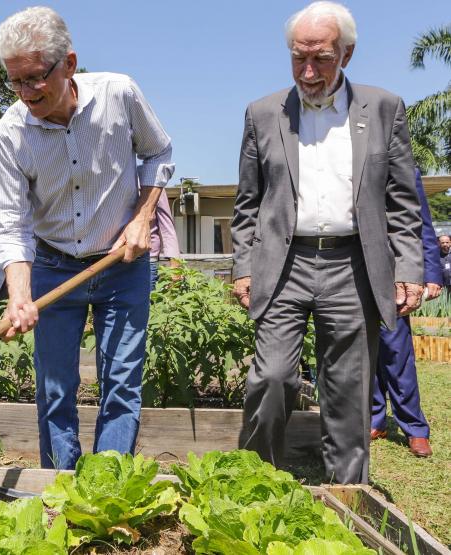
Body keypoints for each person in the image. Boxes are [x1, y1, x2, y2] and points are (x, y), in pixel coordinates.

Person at [231, 1, 423, 484]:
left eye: (321, 58)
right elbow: (247, 203)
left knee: (348, 389)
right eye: (299, 57)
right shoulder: (262, 113)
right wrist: (242, 266)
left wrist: (409, 270)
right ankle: (256, 484)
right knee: (272, 377)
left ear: (347, 54)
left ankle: (347, 494)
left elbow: (402, 200)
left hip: (353, 264)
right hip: (284, 263)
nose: (309, 70)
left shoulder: (383, 108)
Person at [0, 7, 174, 469]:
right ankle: (60, 487)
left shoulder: (120, 94)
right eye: (16, 81)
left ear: (69, 64)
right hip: (53, 266)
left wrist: (142, 218)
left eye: (35, 78)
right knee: (54, 387)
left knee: (122, 381)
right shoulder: (9, 135)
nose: (27, 93)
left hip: (121, 264)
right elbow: (10, 222)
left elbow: (158, 151)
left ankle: (107, 489)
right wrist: (19, 296)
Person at [372, 168, 438, 458]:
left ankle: (414, 428)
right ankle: (375, 420)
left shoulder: (404, 170)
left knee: (397, 352)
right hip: (350, 269)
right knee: (364, 351)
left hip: (394, 275)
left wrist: (432, 273)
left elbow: (422, 224)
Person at [149, 189, 180, 289]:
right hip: (111, 259)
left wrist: (175, 267)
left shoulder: (155, 186)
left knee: (148, 303)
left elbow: (167, 228)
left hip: (147, 261)